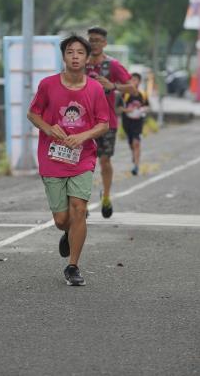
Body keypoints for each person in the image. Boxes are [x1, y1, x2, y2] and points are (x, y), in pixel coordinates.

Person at [27, 34, 109, 286]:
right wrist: (50, 129)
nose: (75, 56)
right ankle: (68, 232)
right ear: (63, 56)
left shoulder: (94, 88)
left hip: (82, 157)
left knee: (80, 210)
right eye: (70, 52)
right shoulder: (48, 85)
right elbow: (33, 114)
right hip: (52, 156)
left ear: (87, 58)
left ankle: (72, 266)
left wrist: (83, 136)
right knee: (62, 220)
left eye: (80, 53)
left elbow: (103, 123)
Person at [86, 26, 135, 218]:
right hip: (82, 123)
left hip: (106, 122)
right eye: (91, 40)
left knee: (104, 160)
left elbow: (133, 88)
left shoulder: (112, 65)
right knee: (83, 163)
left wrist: (112, 85)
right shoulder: (80, 64)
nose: (94, 43)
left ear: (105, 43)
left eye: (98, 40)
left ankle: (106, 196)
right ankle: (82, 200)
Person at [116, 72, 150, 176]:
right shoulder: (124, 94)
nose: (133, 82)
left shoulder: (142, 94)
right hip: (127, 122)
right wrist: (128, 110)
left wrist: (142, 109)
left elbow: (148, 106)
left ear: (139, 81)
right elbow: (118, 108)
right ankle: (134, 155)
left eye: (135, 80)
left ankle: (136, 166)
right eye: (131, 80)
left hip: (138, 122)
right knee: (131, 143)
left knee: (137, 143)